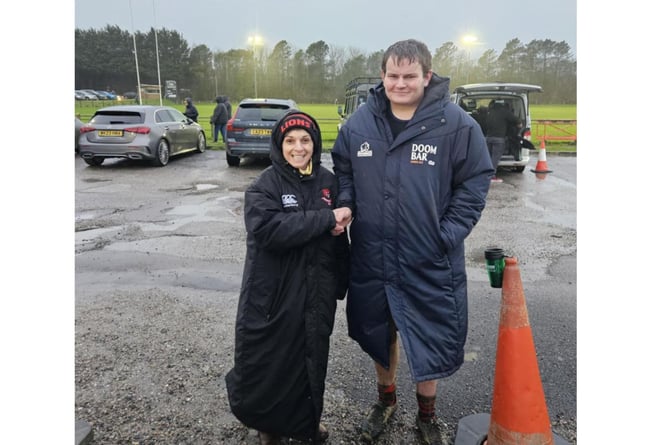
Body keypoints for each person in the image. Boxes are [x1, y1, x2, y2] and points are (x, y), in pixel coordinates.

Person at [331, 39, 493, 445]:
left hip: (429, 258)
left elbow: (474, 182)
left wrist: (448, 234)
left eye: (409, 76)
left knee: (430, 335)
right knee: (378, 334)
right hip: (372, 256)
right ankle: (385, 402)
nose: (400, 83)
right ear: (382, 75)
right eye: (392, 75)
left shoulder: (456, 126)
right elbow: (343, 168)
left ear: (427, 76)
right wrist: (347, 203)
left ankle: (427, 414)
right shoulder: (359, 125)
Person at [226, 110, 351, 445]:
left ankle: (307, 423)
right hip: (274, 296)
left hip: (317, 294)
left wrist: (341, 282)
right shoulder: (263, 186)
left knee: (312, 361)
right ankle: (270, 429)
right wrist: (325, 219)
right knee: (273, 364)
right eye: (291, 141)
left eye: (306, 140)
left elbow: (339, 235)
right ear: (279, 144)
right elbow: (270, 230)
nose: (299, 148)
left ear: (315, 142)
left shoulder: (328, 182)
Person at [485, 100, 522, 182]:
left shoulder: (490, 112)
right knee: (495, 158)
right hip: (499, 139)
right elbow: (516, 120)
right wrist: (519, 126)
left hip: (488, 138)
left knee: (488, 157)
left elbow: (485, 124)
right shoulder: (505, 112)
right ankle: (491, 176)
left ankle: (485, 175)